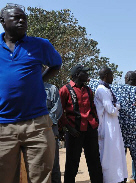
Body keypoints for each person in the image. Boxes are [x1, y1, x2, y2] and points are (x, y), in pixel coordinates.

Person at [0, 4, 62, 183]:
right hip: (2, 126)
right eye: (16, 18)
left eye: (24, 18)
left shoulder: (40, 45)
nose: (22, 20)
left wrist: (38, 80)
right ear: (3, 21)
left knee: (41, 178)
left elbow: (56, 64)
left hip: (37, 125)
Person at [59, 64, 103, 183]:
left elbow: (92, 108)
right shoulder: (65, 89)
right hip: (74, 132)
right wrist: (68, 127)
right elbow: (59, 111)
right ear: (78, 74)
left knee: (94, 161)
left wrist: (96, 122)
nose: (88, 75)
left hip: (90, 130)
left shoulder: (88, 90)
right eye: (85, 72)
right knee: (72, 163)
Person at [94, 67, 128, 183]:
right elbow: (110, 109)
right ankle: (110, 179)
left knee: (115, 151)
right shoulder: (102, 90)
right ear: (106, 75)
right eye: (112, 75)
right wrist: (118, 106)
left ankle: (117, 177)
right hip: (107, 126)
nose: (113, 78)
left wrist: (115, 107)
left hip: (112, 124)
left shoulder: (106, 89)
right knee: (109, 153)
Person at [44, 81, 63, 183]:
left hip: (51, 132)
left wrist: (42, 123)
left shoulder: (52, 89)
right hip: (31, 133)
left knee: (54, 166)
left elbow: (57, 110)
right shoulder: (27, 88)